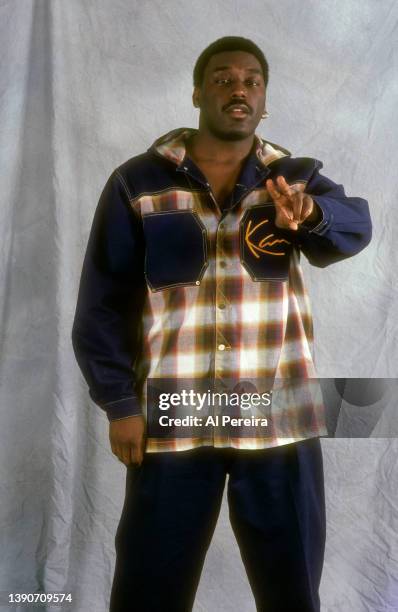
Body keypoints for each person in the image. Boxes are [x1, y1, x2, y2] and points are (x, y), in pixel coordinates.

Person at [71, 36, 372, 612]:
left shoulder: (293, 178)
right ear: (197, 92)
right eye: (223, 78)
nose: (239, 88)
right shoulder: (138, 182)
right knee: (149, 583)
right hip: (174, 410)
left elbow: (355, 227)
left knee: (291, 584)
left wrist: (310, 216)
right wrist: (120, 403)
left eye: (252, 80)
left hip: (278, 411)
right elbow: (103, 303)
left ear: (264, 100)